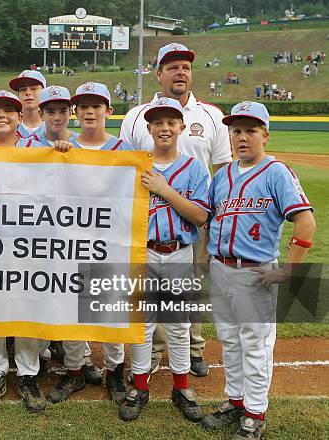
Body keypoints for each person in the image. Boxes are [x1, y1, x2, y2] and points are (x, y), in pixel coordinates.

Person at [201, 101, 316, 439]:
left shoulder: (276, 172)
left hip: (255, 273)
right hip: (221, 269)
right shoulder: (221, 175)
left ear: (265, 135)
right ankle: (235, 402)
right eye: (236, 130)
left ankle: (255, 413)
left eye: (250, 130)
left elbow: (305, 223)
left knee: (255, 345)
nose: (242, 137)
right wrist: (208, 255)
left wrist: (290, 272)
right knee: (229, 342)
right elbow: (211, 219)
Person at [120, 43, 232, 379]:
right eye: (171, 67)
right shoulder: (137, 116)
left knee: (190, 291)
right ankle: (153, 353)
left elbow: (224, 171)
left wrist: (216, 226)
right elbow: (122, 166)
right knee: (147, 304)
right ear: (159, 74)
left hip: (193, 220)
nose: (180, 72)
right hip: (147, 224)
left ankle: (193, 350)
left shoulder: (210, 115)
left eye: (185, 66)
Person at [120, 97, 209, 423]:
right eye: (158, 122)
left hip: (178, 253)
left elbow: (200, 216)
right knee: (141, 324)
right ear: (149, 128)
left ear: (182, 127)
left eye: (171, 122)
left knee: (178, 324)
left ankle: (182, 387)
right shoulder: (134, 165)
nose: (165, 127)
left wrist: (166, 189)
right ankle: (139, 387)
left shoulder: (194, 167)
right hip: (141, 252)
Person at [45, 82, 131, 406]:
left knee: (110, 310)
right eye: (83, 106)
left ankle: (115, 372)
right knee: (71, 309)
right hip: (71, 241)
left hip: (111, 241)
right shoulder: (65, 149)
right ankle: (74, 370)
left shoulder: (125, 149)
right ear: (75, 112)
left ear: (108, 111)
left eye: (97, 105)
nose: (90, 111)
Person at [0, 90, 45, 413]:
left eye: (8, 110)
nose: (1, 115)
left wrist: (66, 154)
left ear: (19, 117)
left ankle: (28, 374)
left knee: (27, 306)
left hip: (28, 243)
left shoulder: (39, 151)